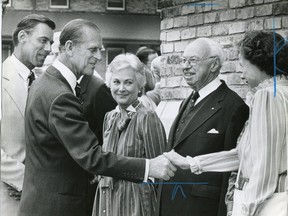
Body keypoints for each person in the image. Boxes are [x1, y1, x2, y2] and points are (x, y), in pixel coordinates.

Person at [18, 19, 176, 216]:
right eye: (92, 50)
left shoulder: (44, 83)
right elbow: (91, 156)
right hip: (57, 207)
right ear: (69, 47)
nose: (99, 57)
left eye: (99, 50)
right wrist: (148, 166)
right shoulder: (59, 94)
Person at [165, 31, 288, 216]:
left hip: (264, 205)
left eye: (243, 66)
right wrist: (192, 163)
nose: (241, 73)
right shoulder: (281, 92)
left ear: (259, 63)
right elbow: (244, 155)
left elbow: (264, 168)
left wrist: (247, 210)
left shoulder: (268, 96)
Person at [159, 38, 249, 216]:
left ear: (214, 65)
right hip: (170, 203)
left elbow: (231, 169)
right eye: (183, 60)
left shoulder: (233, 107)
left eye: (192, 60)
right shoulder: (187, 101)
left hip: (200, 209)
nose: (185, 66)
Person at [92, 53, 167, 216]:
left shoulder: (147, 117)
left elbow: (160, 172)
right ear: (109, 84)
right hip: (107, 200)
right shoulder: (110, 117)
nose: (121, 88)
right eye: (116, 82)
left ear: (139, 85)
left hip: (134, 205)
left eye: (128, 82)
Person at [1, 14, 55, 216]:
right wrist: (24, 180)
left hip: (40, 198)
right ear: (22, 37)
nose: (49, 49)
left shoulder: (42, 83)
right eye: (43, 40)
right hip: (8, 199)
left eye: (50, 42)